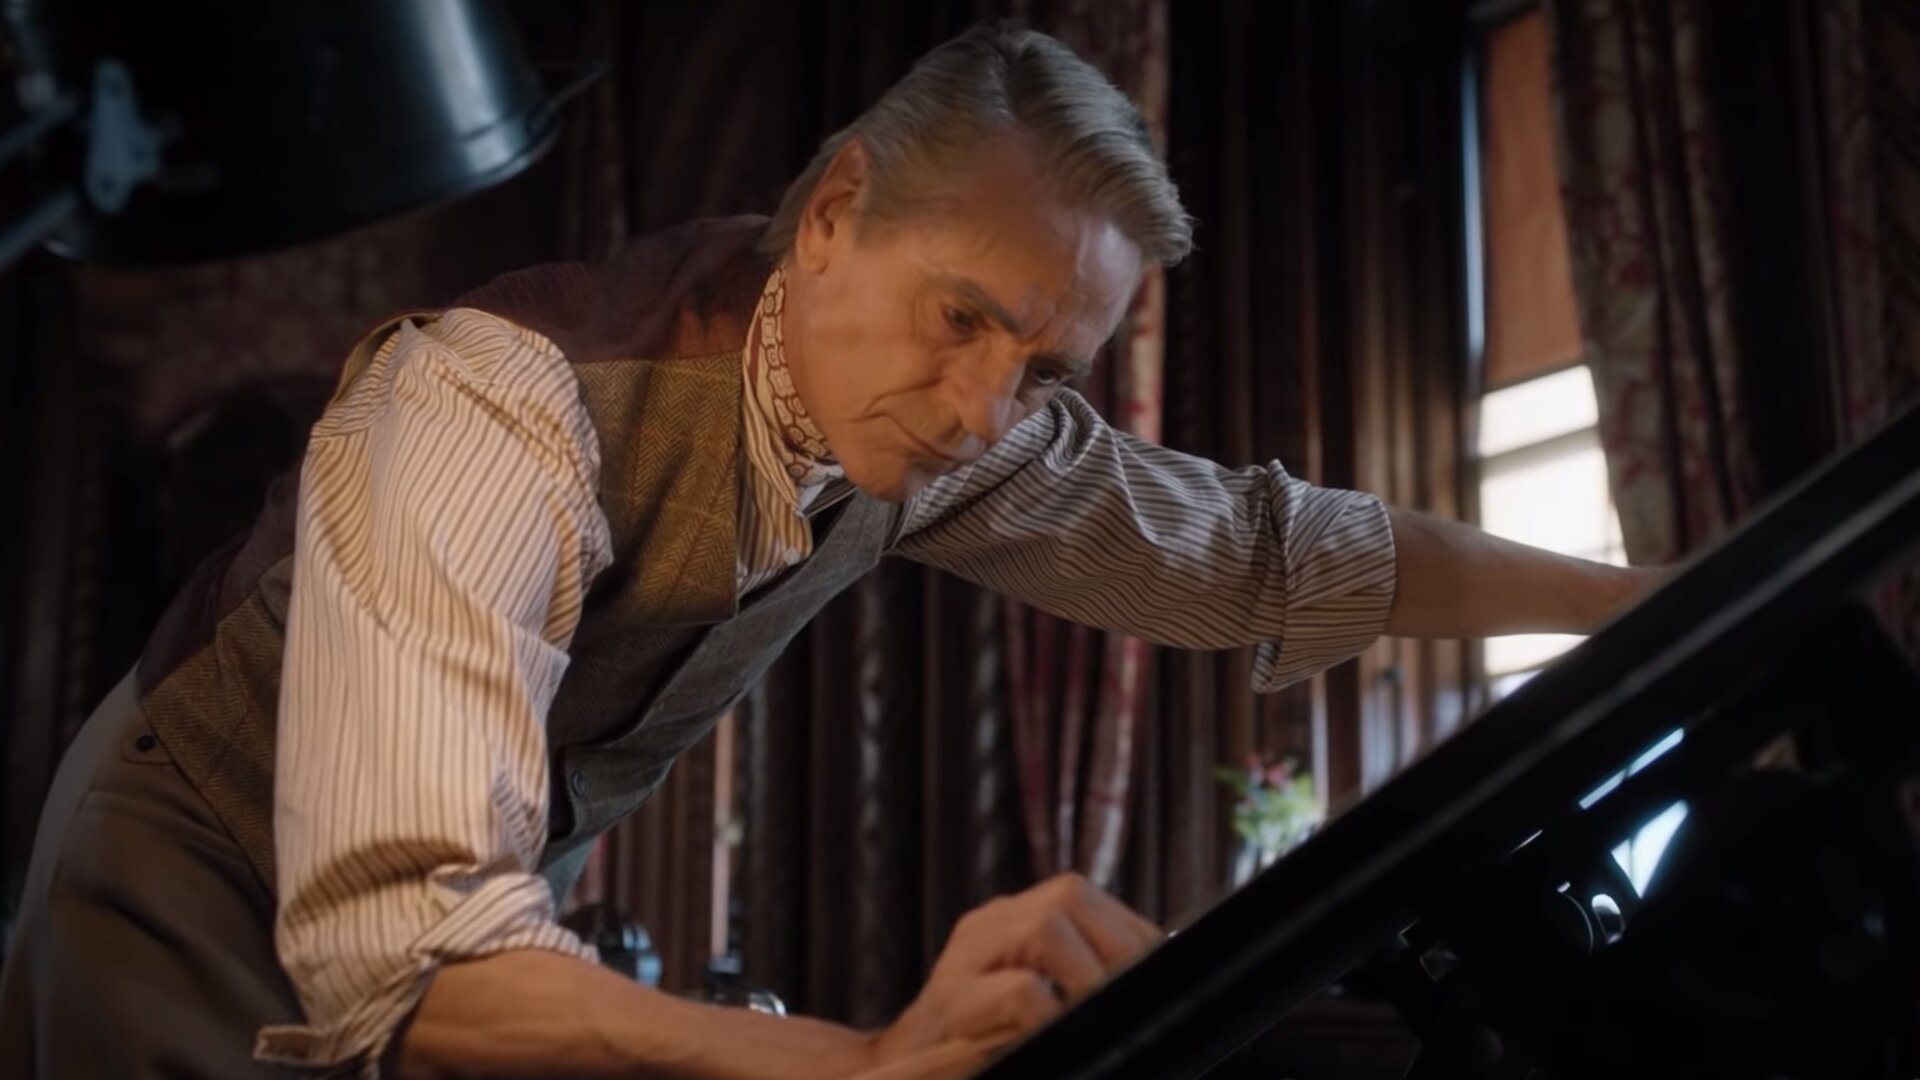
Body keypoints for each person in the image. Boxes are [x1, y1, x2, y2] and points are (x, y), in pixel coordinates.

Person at [0, 22, 1655, 1080]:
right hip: (187, 884)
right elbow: (416, 955)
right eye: (966, 319)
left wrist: (1641, 606)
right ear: (834, 214)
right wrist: (865, 1064)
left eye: (1046, 367)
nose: (988, 409)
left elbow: (1264, 554)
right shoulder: (499, 402)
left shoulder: (931, 424)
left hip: (471, 937)